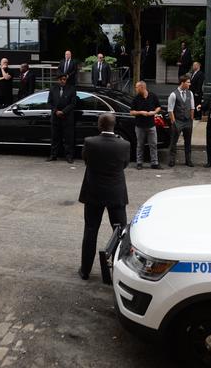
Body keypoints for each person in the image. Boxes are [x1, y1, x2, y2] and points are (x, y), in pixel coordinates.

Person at [78, 113, 130, 280]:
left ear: (99, 126)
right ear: (113, 126)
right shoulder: (124, 144)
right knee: (120, 232)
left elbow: (86, 160)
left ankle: (85, 270)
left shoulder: (90, 142)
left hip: (93, 192)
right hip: (116, 193)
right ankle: (118, 271)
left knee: (91, 230)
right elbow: (125, 165)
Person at [130, 81, 162, 170]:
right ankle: (139, 163)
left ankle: (154, 163)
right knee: (140, 145)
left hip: (151, 125)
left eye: (137, 87)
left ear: (142, 87)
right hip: (139, 125)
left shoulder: (153, 96)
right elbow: (131, 112)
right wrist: (141, 112)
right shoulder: (136, 98)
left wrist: (154, 112)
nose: (135, 89)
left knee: (153, 144)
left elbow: (158, 107)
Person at [47, 73, 77, 163]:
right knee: (55, 138)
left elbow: (73, 103)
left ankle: (69, 156)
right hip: (55, 118)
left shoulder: (71, 89)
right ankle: (53, 155)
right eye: (61, 79)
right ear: (58, 80)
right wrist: (56, 111)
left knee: (68, 139)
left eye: (64, 79)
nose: (63, 81)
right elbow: (49, 102)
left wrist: (63, 112)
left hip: (67, 118)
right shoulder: (53, 89)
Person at [167, 75, 195, 167]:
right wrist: (173, 122)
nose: (189, 84)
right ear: (182, 83)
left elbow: (192, 108)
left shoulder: (190, 93)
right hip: (178, 121)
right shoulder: (173, 94)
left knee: (188, 141)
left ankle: (188, 160)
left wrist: (191, 120)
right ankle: (171, 160)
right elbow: (170, 110)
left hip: (187, 121)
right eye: (188, 82)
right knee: (173, 141)